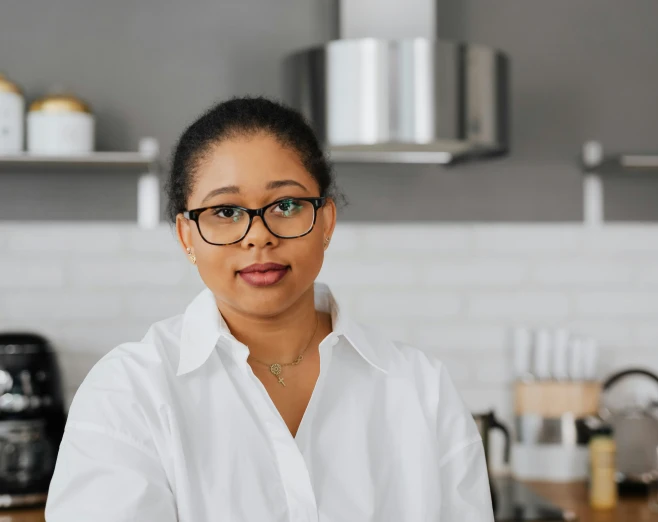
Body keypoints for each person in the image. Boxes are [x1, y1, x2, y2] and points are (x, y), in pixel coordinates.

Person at [45, 96, 493, 522]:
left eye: (286, 205)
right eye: (225, 211)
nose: (258, 236)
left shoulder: (423, 391)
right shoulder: (128, 395)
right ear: (186, 236)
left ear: (326, 222)